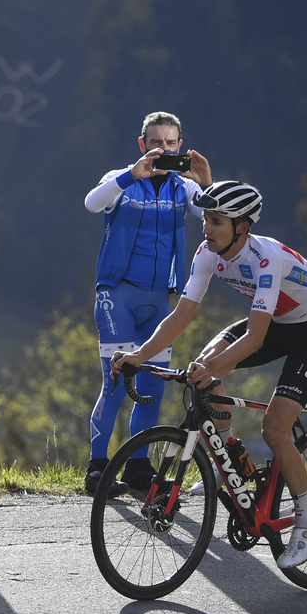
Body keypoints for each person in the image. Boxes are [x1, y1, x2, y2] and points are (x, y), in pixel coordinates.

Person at [112, 181, 307, 570]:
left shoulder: (266, 259)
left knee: (275, 429)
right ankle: (227, 460)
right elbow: (180, 317)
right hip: (276, 321)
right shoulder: (208, 253)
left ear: (242, 228)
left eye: (216, 222)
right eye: (205, 219)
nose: (206, 228)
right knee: (203, 369)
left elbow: (255, 338)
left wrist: (212, 368)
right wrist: (139, 355)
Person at [83, 111, 213, 496]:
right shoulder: (120, 179)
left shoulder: (182, 188)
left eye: (171, 143)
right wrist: (131, 175)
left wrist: (207, 184)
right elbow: (92, 203)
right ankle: (97, 468)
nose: (163, 149)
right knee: (115, 384)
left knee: (153, 389)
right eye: (156, 142)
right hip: (117, 296)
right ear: (142, 145)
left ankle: (138, 467)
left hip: (159, 300)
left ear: (180, 146)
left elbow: (218, 216)